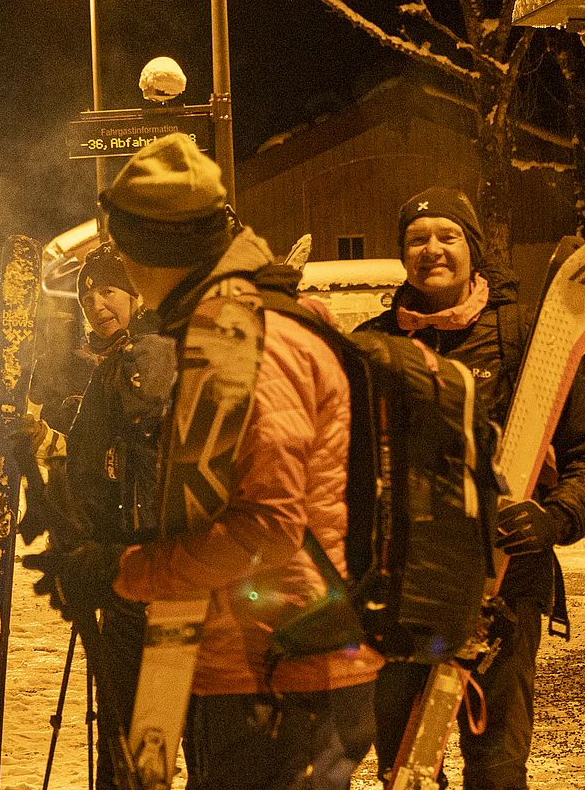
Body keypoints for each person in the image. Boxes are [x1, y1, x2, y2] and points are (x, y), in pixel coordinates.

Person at [26, 133, 383, 789]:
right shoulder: (223, 327)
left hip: (279, 669)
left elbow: (266, 528)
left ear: (148, 251)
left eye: (126, 255)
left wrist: (123, 570)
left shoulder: (245, 342)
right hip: (250, 658)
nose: (122, 277)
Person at [356, 187, 585, 790]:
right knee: (406, 764)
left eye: (447, 236)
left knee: (495, 765)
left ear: (472, 248)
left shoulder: (523, 337)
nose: (432, 249)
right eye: (417, 238)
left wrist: (552, 519)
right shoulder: (375, 346)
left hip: (504, 585)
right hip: (400, 588)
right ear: (402, 255)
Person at [63, 244, 176, 789]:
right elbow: (96, 459)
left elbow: (142, 454)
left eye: (108, 290)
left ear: (134, 294)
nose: (96, 302)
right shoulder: (113, 363)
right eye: (87, 295)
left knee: (136, 728)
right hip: (126, 564)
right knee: (136, 729)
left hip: (148, 566)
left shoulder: (144, 356)